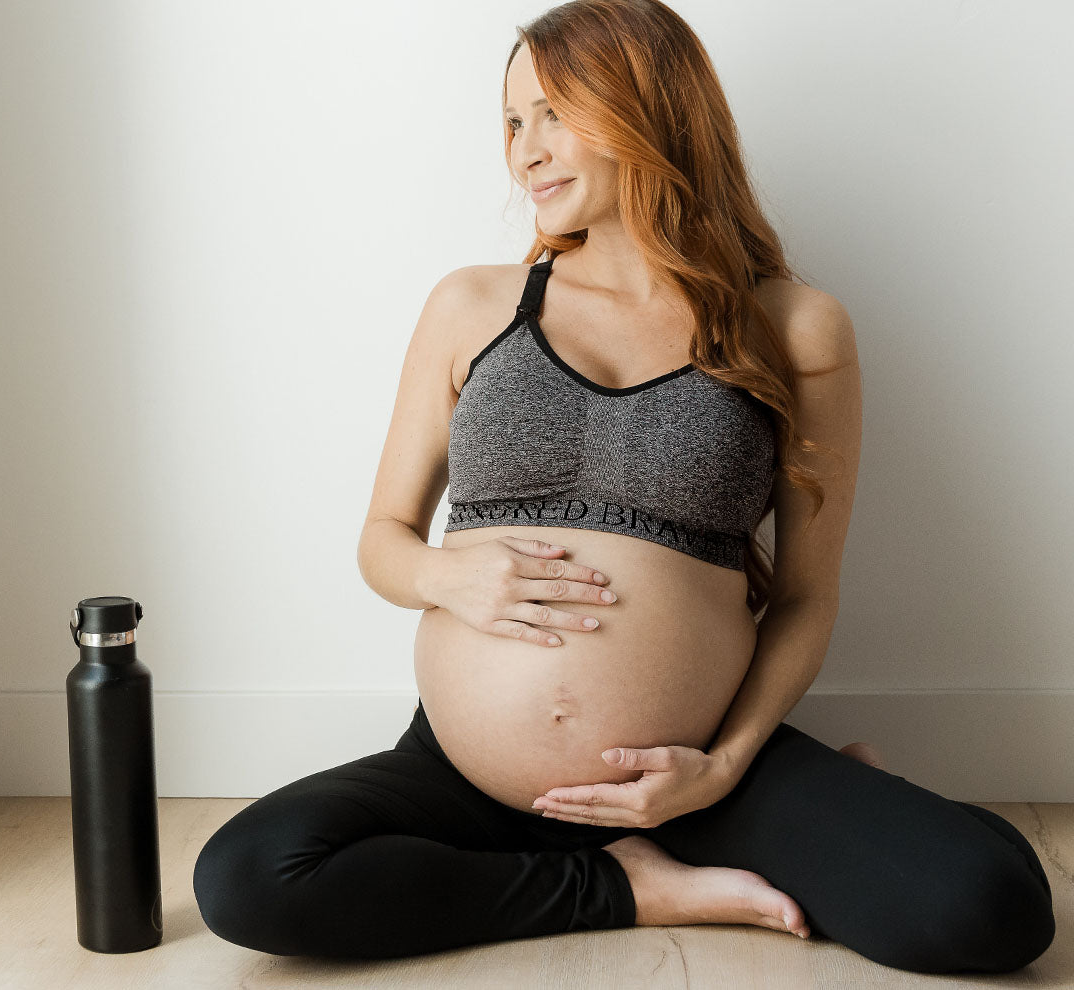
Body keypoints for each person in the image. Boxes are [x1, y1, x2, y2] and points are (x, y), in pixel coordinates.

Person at [193, 0, 1054, 974]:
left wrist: (720, 767)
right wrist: (451, 579)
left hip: (691, 779)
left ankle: (786, 808)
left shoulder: (796, 328)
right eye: (512, 123)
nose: (525, 151)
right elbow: (384, 539)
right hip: (469, 774)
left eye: (553, 111)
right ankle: (630, 887)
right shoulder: (472, 306)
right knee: (250, 876)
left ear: (649, 106)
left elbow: (809, 594)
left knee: (994, 904)